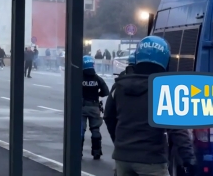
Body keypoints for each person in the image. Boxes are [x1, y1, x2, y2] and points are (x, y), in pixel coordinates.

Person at [104, 36, 196, 176]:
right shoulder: (163, 90)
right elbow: (177, 129)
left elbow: (109, 117)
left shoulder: (119, 86)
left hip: (122, 158)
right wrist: (188, 159)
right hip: (152, 160)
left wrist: (120, 143)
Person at [81, 55, 109, 159]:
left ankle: (78, 152)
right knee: (95, 130)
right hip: (94, 106)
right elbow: (106, 92)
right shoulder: (98, 78)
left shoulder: (79, 77)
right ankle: (96, 152)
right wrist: (98, 94)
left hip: (82, 107)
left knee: (81, 130)